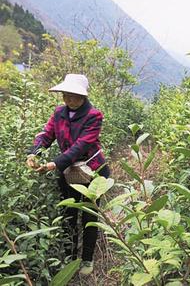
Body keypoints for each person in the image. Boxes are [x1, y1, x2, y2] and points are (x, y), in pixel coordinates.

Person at [26, 74, 110, 275]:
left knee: (89, 214)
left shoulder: (94, 115)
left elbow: (81, 146)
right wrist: (33, 152)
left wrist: (54, 163)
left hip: (93, 171)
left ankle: (87, 259)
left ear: (82, 96)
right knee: (69, 214)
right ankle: (70, 258)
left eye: (73, 95)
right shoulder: (59, 113)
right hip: (68, 171)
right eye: (65, 95)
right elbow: (46, 135)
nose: (68, 99)